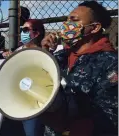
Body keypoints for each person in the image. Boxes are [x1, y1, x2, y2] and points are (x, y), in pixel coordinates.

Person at [24, 1, 118, 136]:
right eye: (67, 19)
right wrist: (44, 51)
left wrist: (67, 126)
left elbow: (110, 118)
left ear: (95, 27)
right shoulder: (60, 57)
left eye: (74, 20)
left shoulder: (110, 63)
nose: (67, 24)